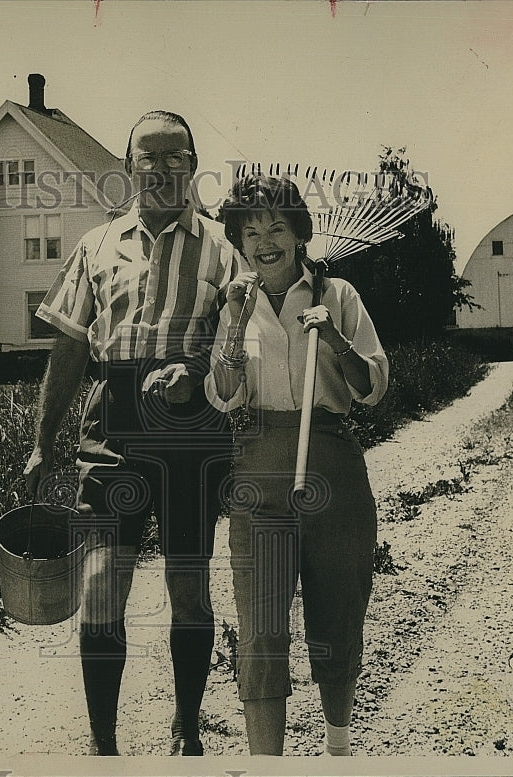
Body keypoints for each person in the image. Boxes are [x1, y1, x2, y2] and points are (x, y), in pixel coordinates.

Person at [23, 110, 237, 756]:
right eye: (151, 159)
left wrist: (195, 375)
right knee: (100, 585)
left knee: (188, 584)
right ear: (128, 169)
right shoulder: (97, 246)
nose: (164, 171)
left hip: (191, 428)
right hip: (110, 422)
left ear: (195, 167)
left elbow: (241, 346)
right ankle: (102, 741)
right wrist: (42, 441)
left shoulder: (223, 251)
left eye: (178, 159)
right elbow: (65, 349)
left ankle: (189, 727)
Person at [206, 174, 389, 756]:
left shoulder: (338, 295)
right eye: (250, 230)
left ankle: (338, 753)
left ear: (299, 235)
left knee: (337, 613)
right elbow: (225, 393)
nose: (264, 241)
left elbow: (373, 387)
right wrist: (234, 321)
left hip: (332, 465)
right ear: (238, 240)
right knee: (261, 634)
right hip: (259, 468)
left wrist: (332, 337)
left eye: (276, 227)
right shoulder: (234, 302)